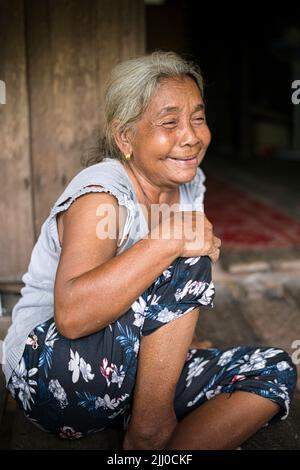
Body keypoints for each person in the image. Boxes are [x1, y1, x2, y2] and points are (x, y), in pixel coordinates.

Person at [3, 51, 297, 450]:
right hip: (54, 374)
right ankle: (150, 430)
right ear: (125, 137)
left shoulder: (190, 183)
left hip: (127, 378)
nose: (191, 136)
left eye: (197, 118)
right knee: (185, 251)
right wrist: (171, 238)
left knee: (273, 368)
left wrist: (173, 346)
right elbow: (71, 316)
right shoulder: (101, 194)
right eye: (170, 123)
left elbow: (164, 295)